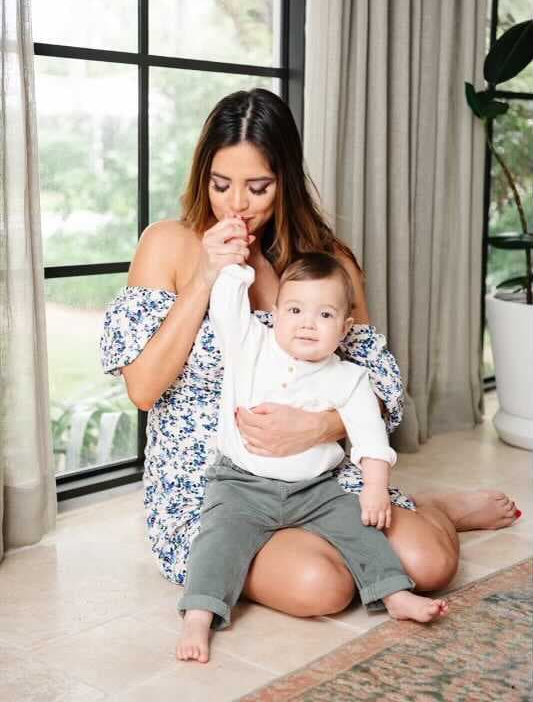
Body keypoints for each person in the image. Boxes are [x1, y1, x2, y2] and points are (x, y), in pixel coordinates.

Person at [100, 88, 519, 645]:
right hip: (212, 483)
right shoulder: (169, 245)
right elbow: (144, 390)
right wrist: (204, 277)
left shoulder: (327, 263)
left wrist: (324, 426)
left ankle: (431, 509)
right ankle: (359, 532)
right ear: (204, 175)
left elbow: (380, 384)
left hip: (319, 477)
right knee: (322, 588)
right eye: (221, 184)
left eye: (259, 188)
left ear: (287, 182)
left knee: (430, 565)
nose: (237, 206)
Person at [176, 250, 449, 662]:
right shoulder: (250, 344)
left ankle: (394, 594)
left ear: (345, 328)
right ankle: (199, 615)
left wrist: (375, 488)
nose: (307, 322)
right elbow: (226, 305)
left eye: (324, 315)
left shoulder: (348, 377)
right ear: (276, 313)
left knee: (364, 530)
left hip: (315, 490)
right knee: (218, 541)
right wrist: (233, 265)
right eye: (296, 309)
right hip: (240, 483)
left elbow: (371, 438)